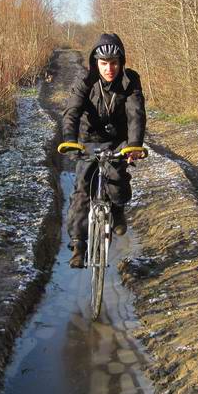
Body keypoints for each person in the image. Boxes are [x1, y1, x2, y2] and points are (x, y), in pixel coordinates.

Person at [61, 33, 146, 268]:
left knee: (117, 178)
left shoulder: (130, 81)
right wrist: (69, 139)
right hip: (89, 138)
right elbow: (72, 111)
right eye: (104, 63)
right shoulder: (85, 80)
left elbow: (136, 114)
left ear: (121, 62)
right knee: (82, 187)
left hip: (119, 140)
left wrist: (135, 145)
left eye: (114, 63)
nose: (109, 68)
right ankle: (78, 244)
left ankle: (117, 210)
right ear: (95, 62)